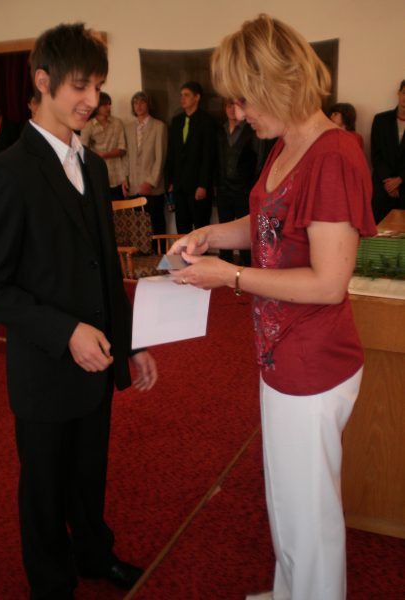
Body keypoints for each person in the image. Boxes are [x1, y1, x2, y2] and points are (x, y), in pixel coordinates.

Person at [168, 14, 376, 600]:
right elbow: (263, 223)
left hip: (313, 360)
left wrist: (231, 276)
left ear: (275, 84)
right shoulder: (287, 143)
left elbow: (329, 282)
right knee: (287, 499)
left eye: (242, 99)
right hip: (281, 353)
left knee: (310, 517)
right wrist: (211, 235)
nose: (237, 113)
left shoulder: (333, 155)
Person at [0, 23, 157, 600]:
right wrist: (66, 331)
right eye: (80, 86)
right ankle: (51, 585)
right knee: (45, 489)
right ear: (42, 81)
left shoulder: (93, 166)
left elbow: (104, 268)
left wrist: (131, 343)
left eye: (98, 86)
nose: (92, 100)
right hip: (46, 370)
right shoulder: (6, 172)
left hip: (97, 363)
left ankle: (95, 555)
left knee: (89, 474)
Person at [166, 81, 216, 233]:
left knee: (201, 228)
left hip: (197, 185)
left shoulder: (207, 121)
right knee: (182, 228)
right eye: (181, 95)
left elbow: (208, 156)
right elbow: (172, 153)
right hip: (179, 185)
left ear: (197, 97)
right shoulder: (176, 121)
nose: (182, 98)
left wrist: (203, 185)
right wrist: (170, 180)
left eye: (186, 95)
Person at [216, 99, 260, 265]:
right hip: (223, 188)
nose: (232, 110)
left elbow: (258, 161)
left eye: (236, 106)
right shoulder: (220, 130)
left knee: (245, 231)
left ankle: (247, 266)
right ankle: (224, 265)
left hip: (244, 188)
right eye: (229, 106)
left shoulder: (251, 129)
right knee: (223, 228)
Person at [123, 91, 168, 238]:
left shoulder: (159, 126)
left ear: (148, 104)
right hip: (133, 185)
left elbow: (160, 157)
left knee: (155, 225)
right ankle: (142, 252)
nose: (139, 105)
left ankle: (159, 251)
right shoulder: (128, 128)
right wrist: (125, 179)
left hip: (152, 187)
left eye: (142, 102)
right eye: (135, 103)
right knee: (137, 227)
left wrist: (151, 182)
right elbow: (127, 156)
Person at [370, 79, 405, 223]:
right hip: (382, 185)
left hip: (404, 186)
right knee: (378, 229)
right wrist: (389, 182)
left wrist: (400, 179)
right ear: (398, 93)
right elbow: (375, 154)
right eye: (404, 93)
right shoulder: (380, 120)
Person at [81, 91, 126, 199]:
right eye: (105, 105)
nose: (108, 107)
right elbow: (82, 150)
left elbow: (122, 149)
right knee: (102, 207)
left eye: (109, 104)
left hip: (117, 176)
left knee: (120, 207)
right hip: (97, 175)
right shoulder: (88, 125)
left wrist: (103, 155)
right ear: (97, 106)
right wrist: (96, 156)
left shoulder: (117, 123)